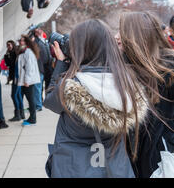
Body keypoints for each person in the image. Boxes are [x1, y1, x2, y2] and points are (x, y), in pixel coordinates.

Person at [44, 19, 148, 178]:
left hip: (73, 169)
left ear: (79, 48)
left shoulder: (71, 86)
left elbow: (50, 101)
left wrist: (62, 62)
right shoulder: (126, 83)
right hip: (116, 170)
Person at [118, 12, 174, 178]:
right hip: (136, 159)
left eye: (121, 32)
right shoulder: (124, 69)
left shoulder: (169, 69)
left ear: (135, 36)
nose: (116, 36)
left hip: (160, 158)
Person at [16, 35, 40, 126]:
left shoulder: (28, 52)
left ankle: (32, 119)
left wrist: (27, 80)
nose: (20, 42)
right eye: (20, 40)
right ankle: (31, 118)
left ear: (26, 42)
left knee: (31, 100)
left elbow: (29, 68)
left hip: (28, 81)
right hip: (26, 81)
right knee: (30, 99)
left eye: (22, 41)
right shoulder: (25, 52)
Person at [33, 27, 52, 111]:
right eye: (37, 30)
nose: (40, 30)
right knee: (39, 87)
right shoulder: (35, 42)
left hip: (48, 67)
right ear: (36, 33)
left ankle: (47, 102)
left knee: (48, 85)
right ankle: (38, 104)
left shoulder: (45, 41)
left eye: (40, 29)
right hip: (40, 66)